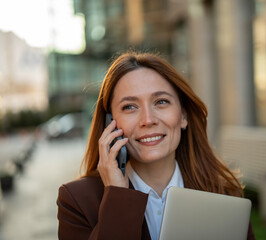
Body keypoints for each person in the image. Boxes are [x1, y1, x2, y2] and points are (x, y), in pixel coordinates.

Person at [57, 52, 255, 240]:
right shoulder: (77, 201)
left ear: (184, 116)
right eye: (130, 107)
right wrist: (117, 197)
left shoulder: (223, 194)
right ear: (110, 123)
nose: (148, 120)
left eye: (161, 101)